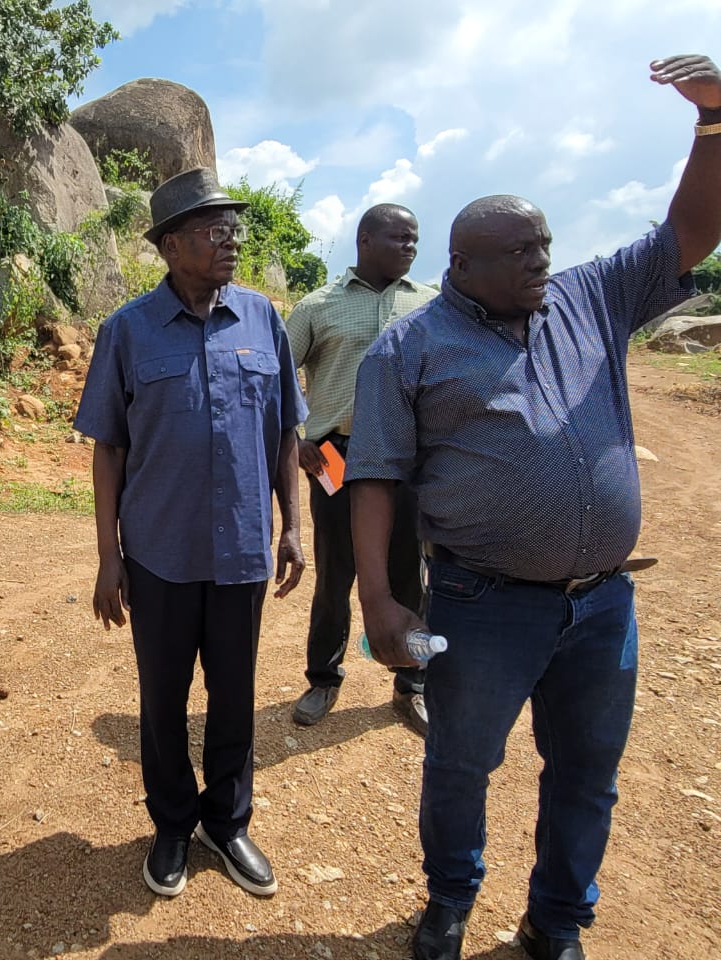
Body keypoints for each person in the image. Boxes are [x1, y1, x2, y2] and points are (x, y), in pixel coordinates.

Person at [345, 55, 721, 960]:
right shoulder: (408, 348)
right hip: (481, 604)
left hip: (602, 606)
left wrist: (714, 120)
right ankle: (449, 900)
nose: (541, 260)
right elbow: (374, 477)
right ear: (462, 265)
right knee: (461, 765)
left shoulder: (591, 296)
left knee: (587, 773)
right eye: (519, 251)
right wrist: (379, 600)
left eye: (544, 243)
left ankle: (555, 920)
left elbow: (692, 231)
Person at [75, 167, 308, 899]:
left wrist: (294, 525)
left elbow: (286, 431)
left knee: (234, 695)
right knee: (163, 699)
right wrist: (109, 557)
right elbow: (109, 448)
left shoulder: (263, 319)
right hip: (159, 554)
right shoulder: (127, 330)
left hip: (241, 549)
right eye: (214, 230)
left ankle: (226, 823)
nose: (231, 240)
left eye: (233, 228)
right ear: (171, 246)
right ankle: (173, 824)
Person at [285, 204, 437, 734]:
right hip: (335, 458)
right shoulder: (317, 307)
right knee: (335, 575)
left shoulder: (430, 305)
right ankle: (323, 679)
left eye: (414, 239)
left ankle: (413, 683)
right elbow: (275, 379)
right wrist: (298, 440)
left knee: (410, 574)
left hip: (406, 457)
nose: (410, 248)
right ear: (365, 241)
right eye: (400, 238)